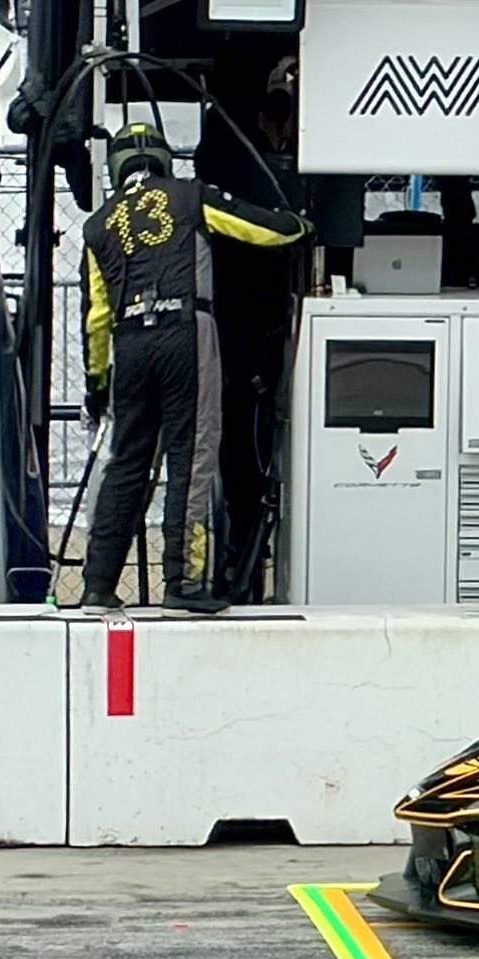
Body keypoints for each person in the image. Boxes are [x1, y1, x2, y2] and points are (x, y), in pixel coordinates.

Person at [79, 121, 310, 613]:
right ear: (162, 159)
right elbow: (263, 229)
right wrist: (300, 224)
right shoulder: (189, 196)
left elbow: (96, 318)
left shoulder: (97, 225)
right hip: (186, 330)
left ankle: (97, 583)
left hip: (131, 343)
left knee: (127, 464)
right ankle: (182, 582)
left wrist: (98, 385)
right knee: (193, 453)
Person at [194, 60, 306, 600]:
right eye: (271, 117)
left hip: (261, 329)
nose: (278, 130)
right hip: (239, 334)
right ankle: (235, 572)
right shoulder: (227, 176)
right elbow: (266, 232)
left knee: (249, 453)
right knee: (237, 455)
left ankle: (238, 569)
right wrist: (299, 229)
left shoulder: (264, 170)